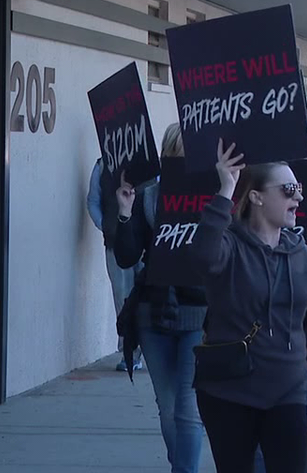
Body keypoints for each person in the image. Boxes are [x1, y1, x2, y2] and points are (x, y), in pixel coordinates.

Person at [189, 141, 307, 473]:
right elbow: (203, 257)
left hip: (290, 387)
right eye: (289, 190)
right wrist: (225, 191)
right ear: (257, 197)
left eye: (299, 189)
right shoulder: (230, 245)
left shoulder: (300, 253)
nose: (298, 198)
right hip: (231, 389)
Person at [113, 124, 205, 473]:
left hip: (199, 312)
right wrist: (124, 211)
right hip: (154, 312)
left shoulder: (216, 197)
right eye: (179, 154)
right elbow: (126, 256)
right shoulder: (150, 197)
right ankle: (180, 465)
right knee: (168, 407)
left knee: (187, 407)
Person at [88, 157, 142, 371]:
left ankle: (147, 347)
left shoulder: (147, 161)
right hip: (115, 242)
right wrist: (105, 226)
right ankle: (129, 351)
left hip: (145, 242)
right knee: (122, 296)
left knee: (149, 296)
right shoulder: (102, 165)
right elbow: (93, 200)